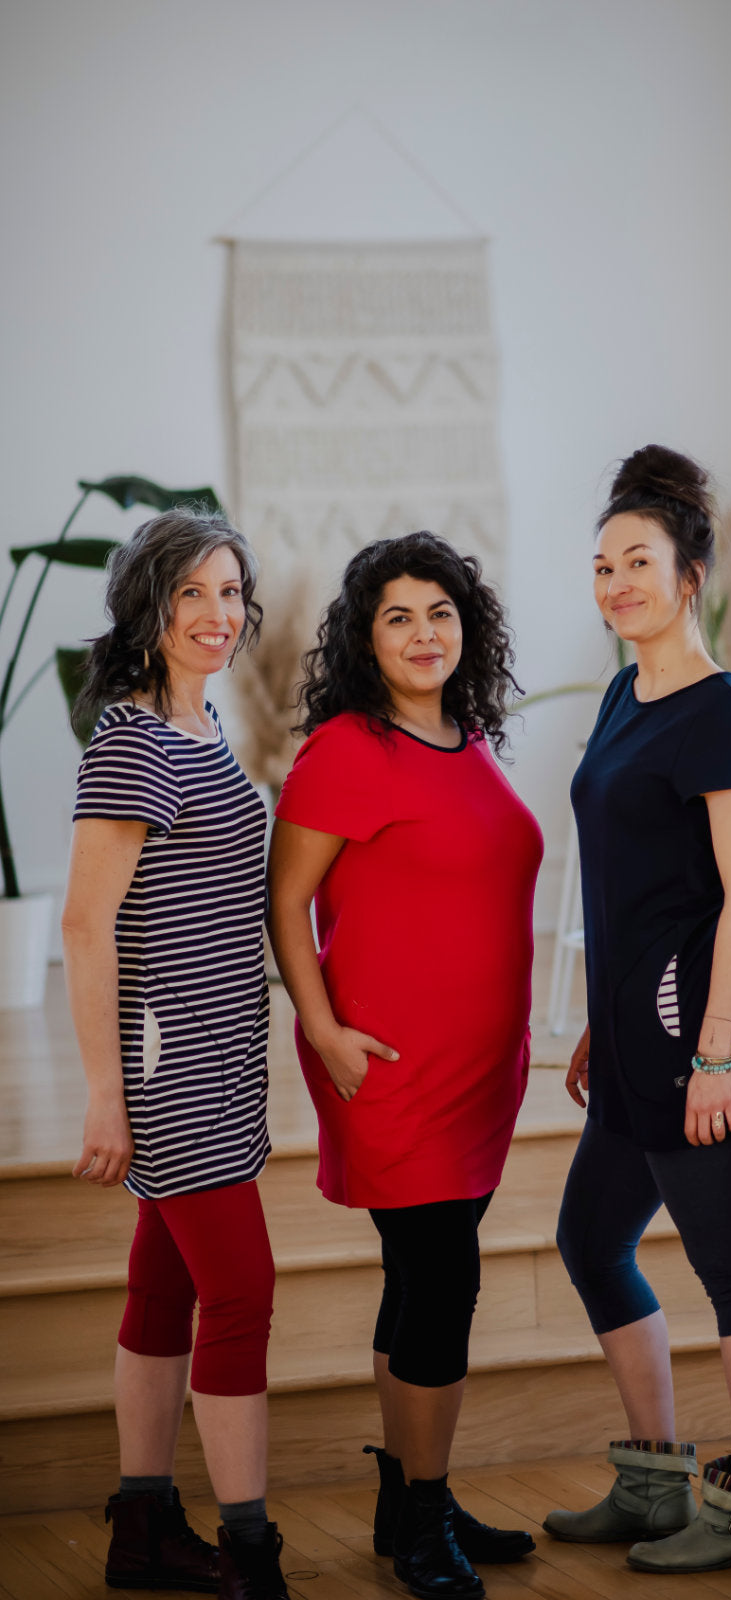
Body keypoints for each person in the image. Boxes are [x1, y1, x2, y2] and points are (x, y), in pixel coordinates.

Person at [266, 531, 543, 1600]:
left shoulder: (467, 736)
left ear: (467, 627)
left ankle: (408, 1497)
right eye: (398, 617)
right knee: (444, 1283)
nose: (424, 633)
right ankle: (426, 1518)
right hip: (388, 1066)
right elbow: (285, 901)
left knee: (420, 1278)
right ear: (364, 638)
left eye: (440, 612)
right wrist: (323, 1028)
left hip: (481, 1070)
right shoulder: (347, 747)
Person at [542, 444, 731, 1574]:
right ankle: (654, 1480)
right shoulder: (622, 693)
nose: (615, 584)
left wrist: (716, 1057)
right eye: (602, 566)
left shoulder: (720, 715)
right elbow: (629, 882)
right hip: (630, 1039)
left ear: (691, 575)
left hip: (695, 1043)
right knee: (591, 1240)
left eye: (637, 562)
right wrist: (604, 1019)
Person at [62, 509, 288, 1600]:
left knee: (163, 1289)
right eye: (191, 592)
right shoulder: (133, 742)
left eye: (230, 591)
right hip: (172, 1071)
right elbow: (84, 925)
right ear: (146, 608)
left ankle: (142, 1526)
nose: (216, 613)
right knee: (241, 1293)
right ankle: (249, 1548)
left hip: (222, 1057)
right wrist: (106, 1095)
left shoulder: (197, 725)